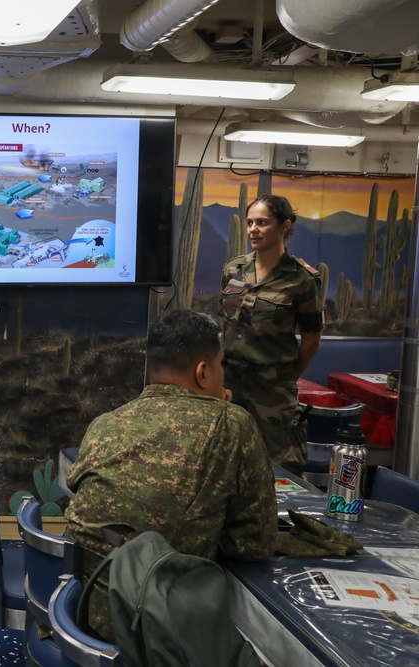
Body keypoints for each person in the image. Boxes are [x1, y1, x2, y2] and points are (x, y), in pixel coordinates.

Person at [64, 309, 277, 642]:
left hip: (80, 614)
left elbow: (81, 491)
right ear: (204, 372)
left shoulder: (106, 422)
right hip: (154, 631)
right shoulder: (233, 424)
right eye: (221, 365)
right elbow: (254, 544)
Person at [220, 194, 326, 475]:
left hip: (273, 389)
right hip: (228, 381)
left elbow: (312, 340)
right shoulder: (234, 269)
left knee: (280, 469)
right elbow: (225, 324)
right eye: (250, 222)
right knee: (224, 460)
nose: (253, 229)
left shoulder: (302, 279)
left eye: (263, 223)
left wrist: (286, 376)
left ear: (284, 226)